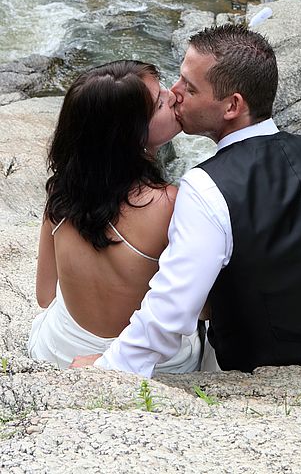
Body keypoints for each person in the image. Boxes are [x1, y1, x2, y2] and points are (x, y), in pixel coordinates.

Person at [72, 24, 301, 376]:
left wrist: (108, 368)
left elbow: (171, 311)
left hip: (253, 366)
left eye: (189, 86)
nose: (174, 92)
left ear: (232, 106)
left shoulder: (204, 187)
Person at [27, 60, 202, 371]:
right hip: (145, 364)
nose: (174, 94)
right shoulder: (170, 203)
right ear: (132, 135)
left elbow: (44, 295)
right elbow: (200, 309)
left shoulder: (61, 194)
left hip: (58, 349)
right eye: (159, 101)